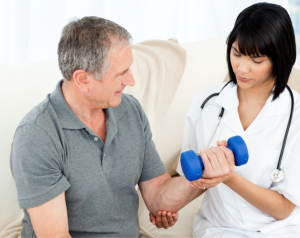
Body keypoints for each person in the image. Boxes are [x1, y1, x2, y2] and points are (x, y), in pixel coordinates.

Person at [10, 17, 229, 237]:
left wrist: (201, 179)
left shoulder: (130, 110)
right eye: (121, 73)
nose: (131, 80)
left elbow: (157, 197)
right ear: (82, 80)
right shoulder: (37, 135)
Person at [177, 3, 300, 238]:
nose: (242, 68)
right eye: (236, 54)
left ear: (279, 58)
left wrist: (229, 177)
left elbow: (284, 209)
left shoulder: (297, 115)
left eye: (256, 60)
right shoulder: (206, 103)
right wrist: (167, 207)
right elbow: (191, 175)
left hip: (283, 230)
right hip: (219, 229)